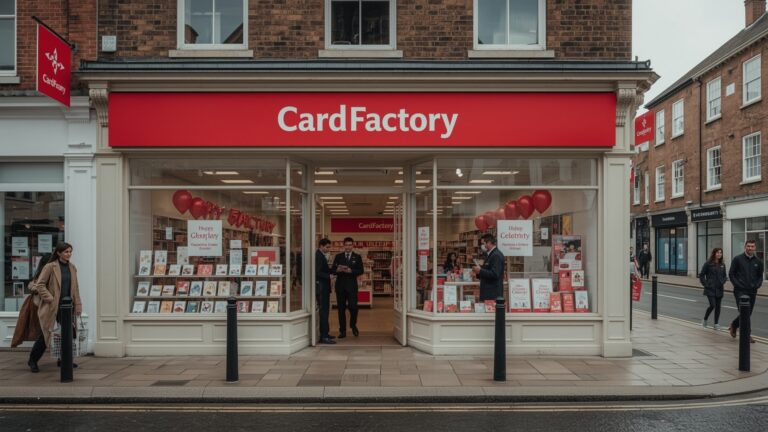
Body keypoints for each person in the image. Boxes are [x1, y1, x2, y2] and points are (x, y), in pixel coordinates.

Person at [28, 243, 83, 373]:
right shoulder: (50, 267)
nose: (69, 254)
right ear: (58, 253)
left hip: (67, 307)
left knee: (67, 334)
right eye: (66, 252)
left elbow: (75, 288)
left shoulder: (72, 267)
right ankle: (33, 360)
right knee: (45, 335)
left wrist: (78, 305)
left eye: (70, 251)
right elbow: (40, 285)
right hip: (51, 306)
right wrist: (50, 299)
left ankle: (64, 360)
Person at [11, 254, 52, 349]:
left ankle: (42, 350)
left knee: (42, 330)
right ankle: (39, 352)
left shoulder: (42, 272)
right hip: (39, 304)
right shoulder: (45, 273)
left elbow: (34, 286)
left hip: (38, 303)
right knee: (42, 330)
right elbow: (35, 286)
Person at [728, 240, 764, 343]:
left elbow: (760, 276)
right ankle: (747, 335)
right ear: (745, 247)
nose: (750, 248)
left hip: (752, 291)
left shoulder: (758, 261)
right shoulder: (737, 259)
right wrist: (737, 285)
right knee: (744, 312)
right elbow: (731, 274)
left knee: (748, 313)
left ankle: (734, 325)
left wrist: (757, 285)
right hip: (740, 291)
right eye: (748, 246)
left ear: (755, 248)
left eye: (752, 246)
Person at [331, 237, 364, 338]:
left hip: (352, 286)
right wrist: (338, 270)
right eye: (346, 245)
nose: (348, 247)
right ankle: (342, 331)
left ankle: (353, 325)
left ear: (352, 245)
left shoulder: (357, 257)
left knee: (353, 307)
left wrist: (351, 271)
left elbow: (361, 270)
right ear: (344, 245)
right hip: (340, 286)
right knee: (341, 309)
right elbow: (333, 270)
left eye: (350, 245)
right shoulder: (338, 256)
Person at [699, 248, 726, 330]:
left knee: (718, 306)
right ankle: (705, 319)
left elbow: (724, 276)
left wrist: (723, 281)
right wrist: (705, 284)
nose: (719, 254)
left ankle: (716, 324)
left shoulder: (722, 264)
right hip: (710, 288)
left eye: (720, 253)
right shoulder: (708, 263)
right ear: (714, 253)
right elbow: (701, 275)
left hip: (719, 288)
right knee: (712, 305)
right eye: (717, 252)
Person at [471, 233, 504, 301]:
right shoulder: (489, 254)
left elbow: (495, 274)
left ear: (489, 242)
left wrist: (480, 271)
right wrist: (477, 274)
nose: (482, 246)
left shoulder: (496, 255)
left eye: (483, 243)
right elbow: (487, 270)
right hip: (488, 292)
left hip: (492, 293)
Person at [315, 238, 335, 344]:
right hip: (322, 288)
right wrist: (329, 276)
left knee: (325, 311)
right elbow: (317, 272)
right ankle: (324, 336)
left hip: (323, 287)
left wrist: (333, 270)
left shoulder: (321, 255)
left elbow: (323, 270)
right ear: (321, 246)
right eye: (327, 247)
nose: (328, 249)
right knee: (323, 311)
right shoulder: (318, 256)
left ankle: (326, 333)